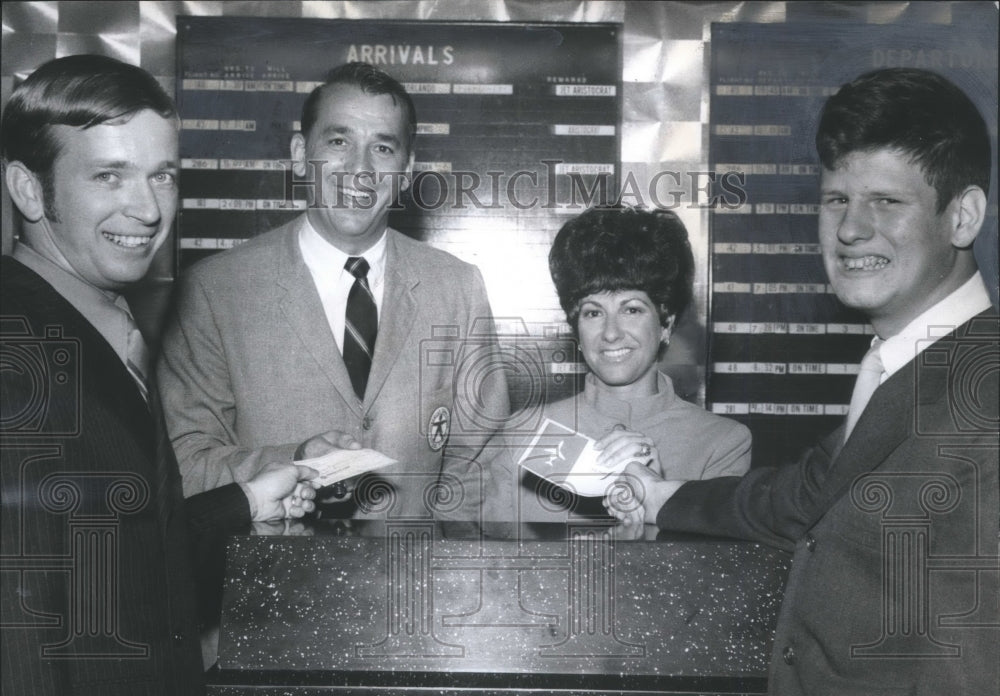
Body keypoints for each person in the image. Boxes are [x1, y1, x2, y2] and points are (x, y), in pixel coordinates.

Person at [606, 68, 999, 695]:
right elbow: (801, 499)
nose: (849, 229)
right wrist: (659, 495)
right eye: (837, 199)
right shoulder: (901, 367)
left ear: (963, 217)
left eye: (887, 202)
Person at [0, 54, 322, 695]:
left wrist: (251, 499)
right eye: (109, 177)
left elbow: (118, 551)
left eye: (162, 176)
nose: (148, 209)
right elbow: (21, 628)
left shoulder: (94, 321)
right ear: (30, 190)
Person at [157, 62, 508, 519]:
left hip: (413, 578)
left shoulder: (457, 287)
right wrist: (295, 458)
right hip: (268, 581)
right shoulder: (213, 291)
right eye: (339, 142)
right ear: (301, 153)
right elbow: (185, 462)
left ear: (406, 168)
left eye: (383, 147)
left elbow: (479, 463)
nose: (360, 169)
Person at [483, 206, 751, 521]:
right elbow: (490, 556)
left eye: (632, 310)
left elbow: (718, 566)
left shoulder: (720, 443)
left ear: (666, 323)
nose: (610, 333)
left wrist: (657, 496)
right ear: (576, 328)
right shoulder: (524, 432)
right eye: (593, 312)